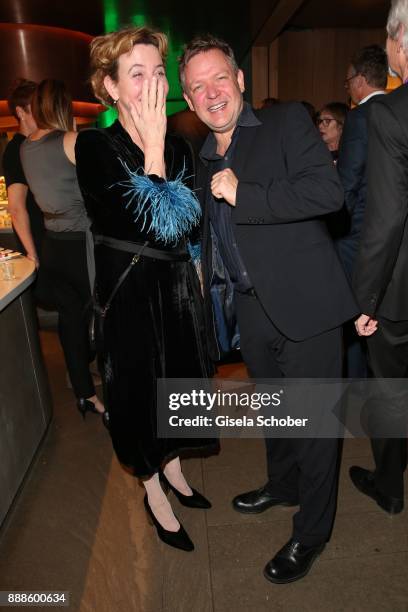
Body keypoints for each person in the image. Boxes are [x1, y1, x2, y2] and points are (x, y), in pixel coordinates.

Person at [179, 35, 358, 583]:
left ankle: (312, 532)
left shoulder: (282, 127)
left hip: (306, 308)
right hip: (252, 310)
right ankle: (281, 485)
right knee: (277, 415)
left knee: (314, 429)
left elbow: (329, 194)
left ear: (239, 81)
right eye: (196, 87)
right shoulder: (204, 155)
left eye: (218, 79)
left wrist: (246, 193)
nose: (210, 93)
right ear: (187, 101)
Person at [75, 26, 215, 553]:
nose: (153, 84)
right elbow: (154, 224)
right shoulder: (94, 146)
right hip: (130, 297)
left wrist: (197, 270)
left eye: (159, 73)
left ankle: (174, 467)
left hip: (176, 290)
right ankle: (153, 490)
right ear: (110, 87)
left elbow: (189, 225)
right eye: (138, 74)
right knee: (138, 398)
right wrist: (153, 145)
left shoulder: (182, 145)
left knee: (178, 390)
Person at [350, 0, 408, 516]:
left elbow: (387, 219)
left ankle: (390, 486)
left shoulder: (392, 110)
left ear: (399, 41)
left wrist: (365, 298)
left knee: (391, 391)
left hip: (399, 293)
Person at [19, 79, 104, 419]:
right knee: (105, 316)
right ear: (64, 107)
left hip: (53, 246)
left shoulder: (26, 146)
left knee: (70, 321)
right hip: (82, 246)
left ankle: (85, 394)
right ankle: (122, 391)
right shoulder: (72, 140)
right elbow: (98, 192)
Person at [335, 45, 388, 378]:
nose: (348, 87)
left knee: (352, 314)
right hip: (390, 235)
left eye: (348, 80)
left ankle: (356, 383)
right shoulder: (399, 111)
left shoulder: (359, 117)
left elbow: (349, 183)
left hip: (358, 237)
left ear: (360, 79)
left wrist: (335, 228)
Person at [2, 79, 44, 263]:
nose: (43, 112)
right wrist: (32, 254)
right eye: (36, 107)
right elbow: (16, 208)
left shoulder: (35, 145)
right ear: (21, 112)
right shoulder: (15, 150)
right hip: (37, 240)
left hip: (50, 238)